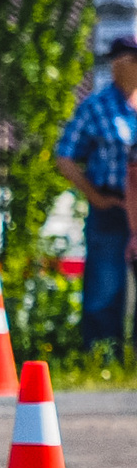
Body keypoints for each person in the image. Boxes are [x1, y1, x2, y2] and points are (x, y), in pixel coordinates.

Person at [56, 36, 137, 354]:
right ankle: (102, 356)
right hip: (111, 207)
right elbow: (65, 157)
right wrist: (94, 196)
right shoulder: (96, 107)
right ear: (118, 65)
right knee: (106, 285)